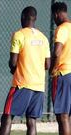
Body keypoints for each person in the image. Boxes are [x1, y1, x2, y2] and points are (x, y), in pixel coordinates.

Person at [0, 6, 50, 135]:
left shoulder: (19, 34)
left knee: (7, 117)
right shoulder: (43, 37)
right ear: (35, 18)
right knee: (31, 120)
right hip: (39, 85)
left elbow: (13, 62)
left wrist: (14, 68)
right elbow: (48, 64)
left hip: (22, 83)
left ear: (22, 17)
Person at [50, 2, 71, 135]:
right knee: (69, 116)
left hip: (63, 74)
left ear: (56, 14)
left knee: (62, 115)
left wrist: (52, 69)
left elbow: (57, 52)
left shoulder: (62, 29)